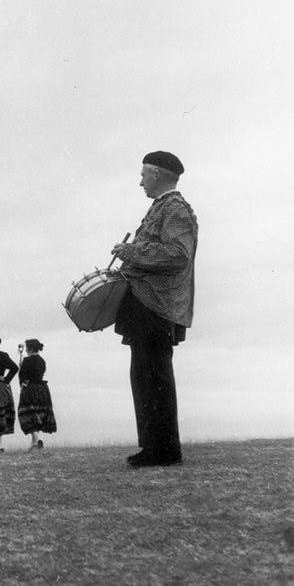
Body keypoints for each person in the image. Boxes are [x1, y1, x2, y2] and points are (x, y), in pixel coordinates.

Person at [111, 150, 198, 468]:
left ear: (157, 174)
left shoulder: (174, 208)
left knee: (152, 375)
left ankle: (163, 449)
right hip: (148, 304)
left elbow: (177, 255)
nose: (141, 182)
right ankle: (155, 447)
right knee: (145, 375)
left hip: (155, 307)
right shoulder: (164, 207)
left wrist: (132, 252)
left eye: (144, 175)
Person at [17, 338, 57, 451]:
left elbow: (23, 377)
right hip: (42, 389)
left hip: (30, 389)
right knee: (37, 413)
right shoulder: (42, 361)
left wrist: (22, 368)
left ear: (30, 349)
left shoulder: (27, 360)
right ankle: (34, 443)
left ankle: (36, 438)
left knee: (27, 413)